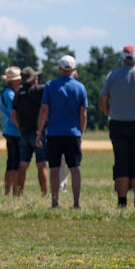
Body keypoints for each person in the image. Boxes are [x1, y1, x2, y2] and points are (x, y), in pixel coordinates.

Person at [98, 45, 135, 208]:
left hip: (118, 123)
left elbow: (102, 102)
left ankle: (122, 202)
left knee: (121, 161)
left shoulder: (112, 76)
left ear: (122, 58)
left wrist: (112, 113)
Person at [36, 55, 88, 209]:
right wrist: (81, 133)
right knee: (75, 169)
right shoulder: (80, 87)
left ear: (59, 68)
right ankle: (76, 203)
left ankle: (54, 203)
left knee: (54, 169)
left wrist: (40, 131)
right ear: (73, 69)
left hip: (54, 133)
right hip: (73, 133)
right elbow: (83, 114)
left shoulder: (50, 85)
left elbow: (44, 110)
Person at [13, 66, 49, 197]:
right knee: (41, 165)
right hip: (38, 134)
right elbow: (50, 87)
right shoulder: (38, 90)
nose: (37, 78)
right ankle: (44, 194)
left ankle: (19, 194)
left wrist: (20, 127)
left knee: (23, 165)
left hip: (24, 133)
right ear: (31, 79)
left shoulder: (18, 93)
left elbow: (13, 115)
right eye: (35, 76)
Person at [0, 66, 23, 196]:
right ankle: (15, 192)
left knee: (10, 163)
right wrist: (21, 127)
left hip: (8, 130)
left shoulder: (4, 92)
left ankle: (7, 191)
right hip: (15, 131)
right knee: (16, 164)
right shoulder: (11, 95)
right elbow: (14, 113)